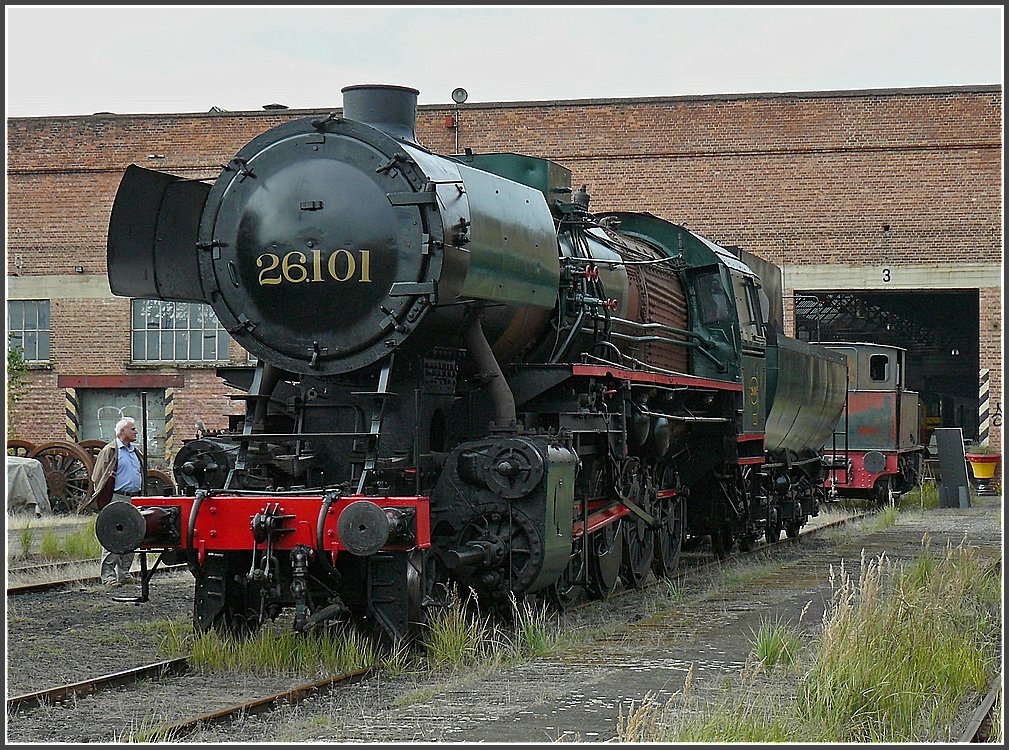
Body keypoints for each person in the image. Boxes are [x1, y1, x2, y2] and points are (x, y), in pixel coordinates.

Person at [91, 416, 144, 586]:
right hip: (117, 497)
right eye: (133, 429)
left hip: (134, 498)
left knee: (133, 536)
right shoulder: (110, 450)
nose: (136, 431)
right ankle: (108, 577)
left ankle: (124, 573)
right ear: (123, 432)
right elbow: (97, 476)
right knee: (113, 537)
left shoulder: (135, 452)